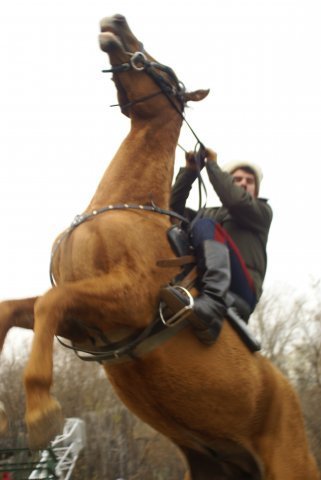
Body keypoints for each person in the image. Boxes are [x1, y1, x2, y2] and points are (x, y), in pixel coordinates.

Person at [161, 147, 273, 345]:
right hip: (201, 281)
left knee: (205, 226)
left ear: (256, 189)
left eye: (249, 181)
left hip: (242, 291)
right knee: (190, 228)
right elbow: (171, 210)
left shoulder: (261, 212)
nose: (243, 184)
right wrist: (190, 171)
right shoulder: (209, 214)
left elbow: (236, 201)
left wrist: (212, 165)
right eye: (237, 180)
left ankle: (212, 303)